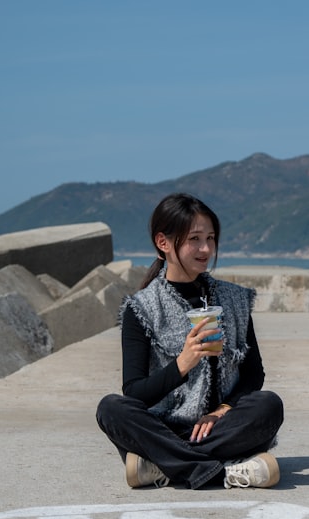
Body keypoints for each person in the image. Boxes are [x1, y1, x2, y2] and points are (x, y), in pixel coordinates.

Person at [96, 193, 284, 490]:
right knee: (111, 409)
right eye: (194, 239)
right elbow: (134, 394)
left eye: (210, 238)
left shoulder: (234, 299)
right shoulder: (141, 308)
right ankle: (226, 471)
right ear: (163, 243)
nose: (206, 248)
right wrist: (182, 364)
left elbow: (253, 374)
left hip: (221, 427)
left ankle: (162, 465)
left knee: (269, 405)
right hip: (164, 427)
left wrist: (222, 409)